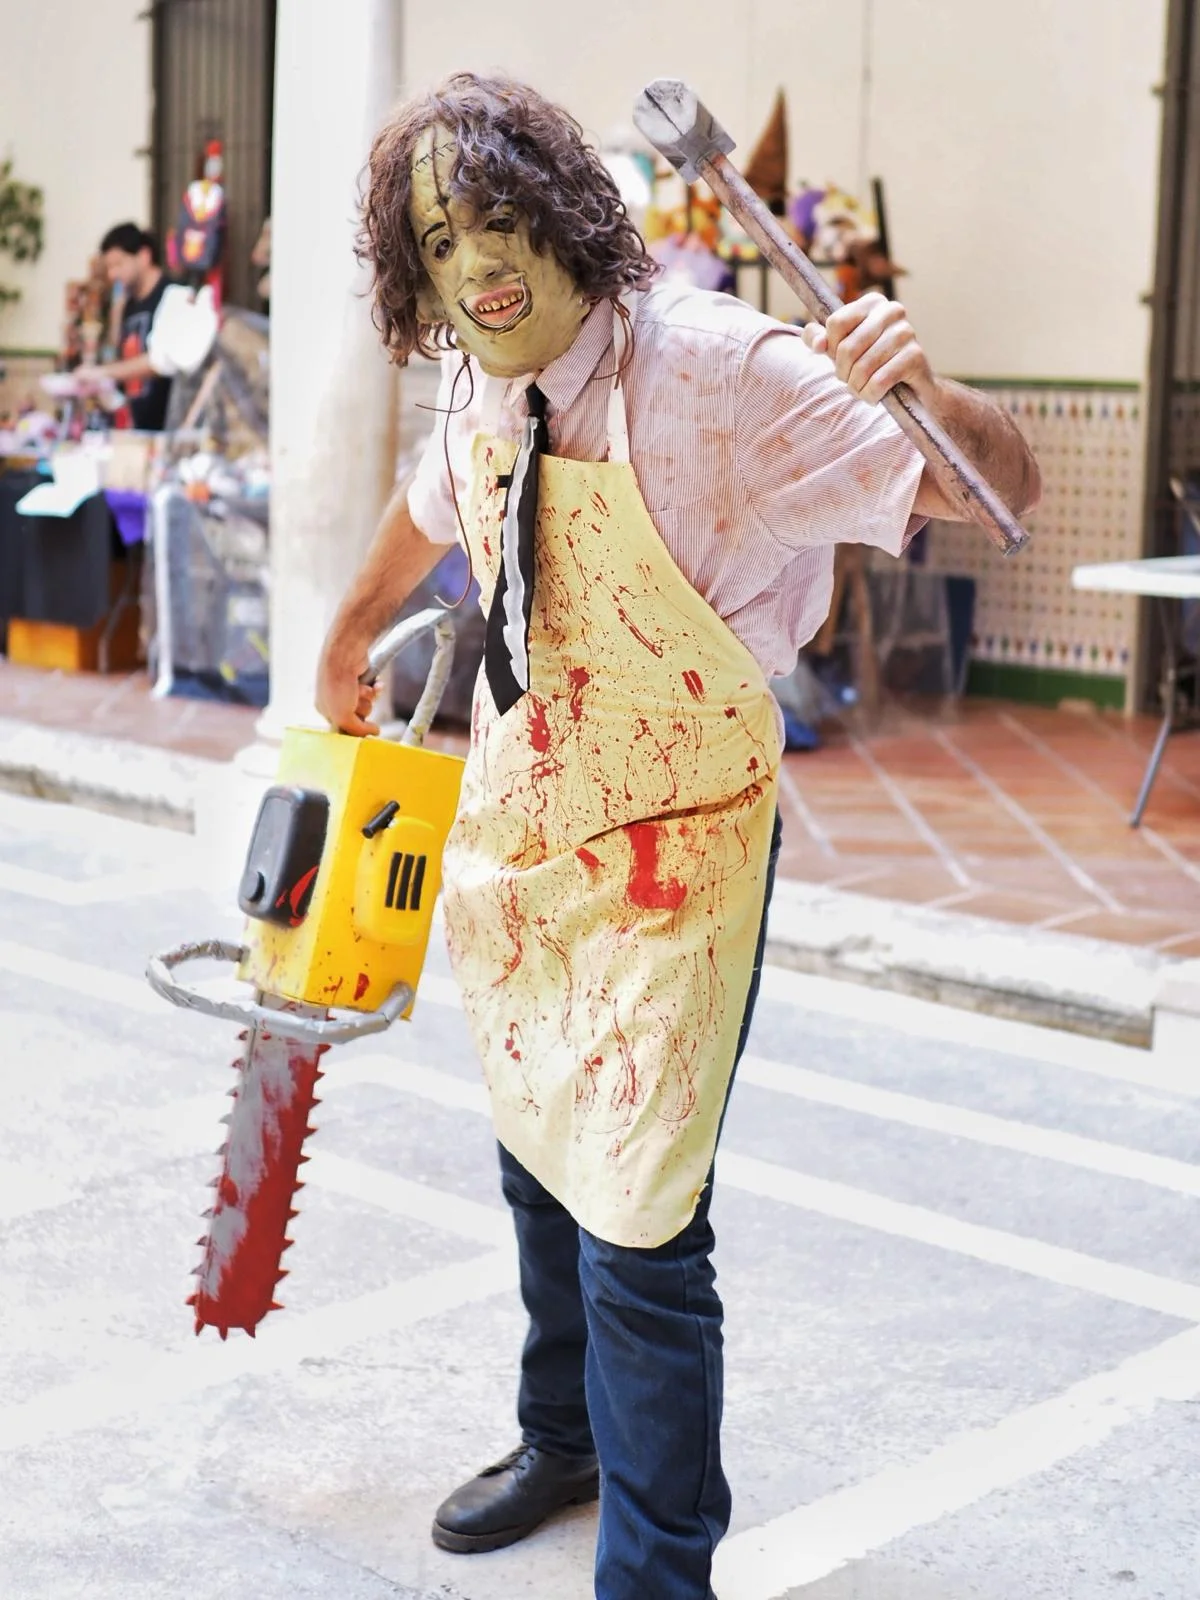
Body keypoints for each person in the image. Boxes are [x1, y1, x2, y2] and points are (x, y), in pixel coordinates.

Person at [316, 72, 1040, 1600]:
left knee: (640, 1218)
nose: (476, 262)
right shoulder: (480, 379)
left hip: (681, 847)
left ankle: (655, 1574)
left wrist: (935, 389)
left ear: (565, 215)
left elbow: (999, 491)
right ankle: (562, 1440)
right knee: (538, 1153)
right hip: (533, 812)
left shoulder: (720, 369)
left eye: (498, 219)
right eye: (439, 242)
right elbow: (437, 504)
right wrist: (349, 624)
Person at [74, 223, 173, 430]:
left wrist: (101, 372)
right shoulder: (128, 305)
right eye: (109, 268)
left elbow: (161, 360)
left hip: (171, 427)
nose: (112, 275)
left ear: (144, 256)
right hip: (138, 428)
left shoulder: (174, 296)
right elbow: (123, 364)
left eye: (118, 264)